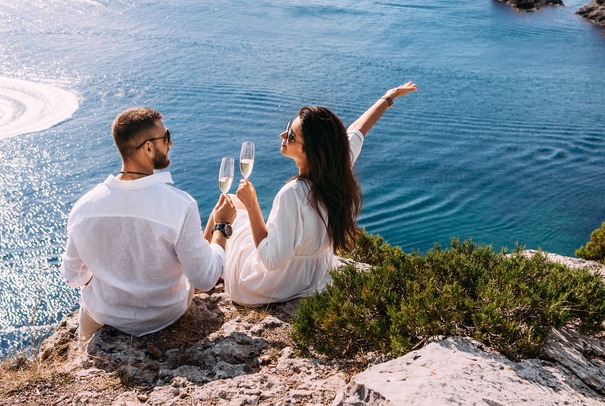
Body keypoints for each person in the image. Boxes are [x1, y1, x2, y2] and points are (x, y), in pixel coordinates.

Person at [212, 82, 417, 306]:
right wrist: (389, 97)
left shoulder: (293, 193)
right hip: (313, 280)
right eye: (289, 127)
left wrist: (252, 206)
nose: (283, 134)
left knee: (227, 204)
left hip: (268, 286)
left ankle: (205, 275)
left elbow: (270, 260)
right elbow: (358, 130)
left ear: (310, 151)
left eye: (291, 136)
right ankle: (207, 269)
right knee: (232, 206)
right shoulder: (338, 167)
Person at [61, 107, 236, 348]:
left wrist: (112, 273)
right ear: (148, 148)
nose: (171, 143)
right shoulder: (179, 204)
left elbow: (73, 277)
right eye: (166, 137)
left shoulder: (84, 207)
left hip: (104, 317)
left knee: (83, 344)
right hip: (165, 316)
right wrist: (221, 226)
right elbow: (205, 279)